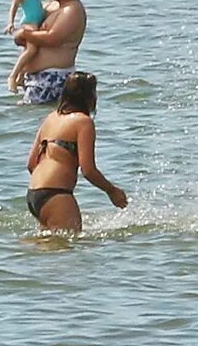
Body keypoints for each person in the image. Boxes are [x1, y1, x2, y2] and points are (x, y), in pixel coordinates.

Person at [23, 72, 123, 234]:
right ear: (89, 97)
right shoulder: (83, 122)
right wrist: (112, 191)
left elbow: (31, 164)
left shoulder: (51, 118)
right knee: (70, 254)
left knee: (48, 250)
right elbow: (88, 170)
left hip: (34, 193)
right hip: (57, 194)